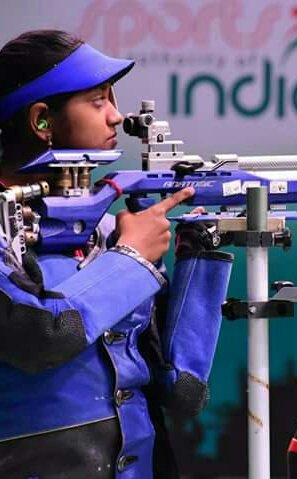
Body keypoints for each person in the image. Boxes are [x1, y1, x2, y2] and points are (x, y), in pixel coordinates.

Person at [0, 30, 233, 478]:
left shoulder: (101, 227)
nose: (117, 116)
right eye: (98, 100)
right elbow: (40, 335)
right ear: (41, 120)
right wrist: (131, 258)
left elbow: (182, 392)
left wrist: (197, 256)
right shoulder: (113, 244)